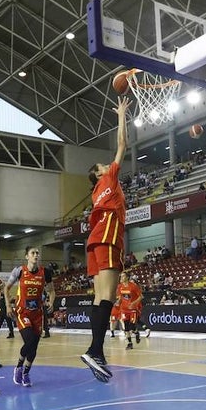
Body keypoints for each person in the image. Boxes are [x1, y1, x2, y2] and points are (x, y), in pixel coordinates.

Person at [80, 97, 131, 383]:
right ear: (100, 173)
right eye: (102, 165)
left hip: (94, 239)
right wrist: (122, 116)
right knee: (109, 298)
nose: (106, 165)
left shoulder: (95, 192)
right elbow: (123, 144)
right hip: (109, 234)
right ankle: (95, 350)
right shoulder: (109, 178)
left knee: (100, 297)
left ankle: (95, 351)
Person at [6, 247, 53, 387]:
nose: (36, 255)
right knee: (30, 339)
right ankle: (19, 366)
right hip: (23, 312)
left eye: (37, 253)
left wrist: (51, 300)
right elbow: (6, 288)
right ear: (27, 256)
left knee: (33, 348)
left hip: (37, 314)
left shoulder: (45, 272)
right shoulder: (19, 271)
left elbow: (52, 291)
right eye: (33, 253)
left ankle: (26, 372)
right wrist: (8, 305)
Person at [116, 271, 143, 350]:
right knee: (126, 328)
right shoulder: (120, 286)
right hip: (124, 309)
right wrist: (118, 302)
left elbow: (141, 297)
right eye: (121, 276)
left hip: (132, 309)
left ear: (127, 277)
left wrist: (134, 303)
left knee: (132, 326)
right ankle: (130, 343)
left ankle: (136, 332)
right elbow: (121, 297)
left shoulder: (133, 286)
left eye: (123, 276)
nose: (121, 278)